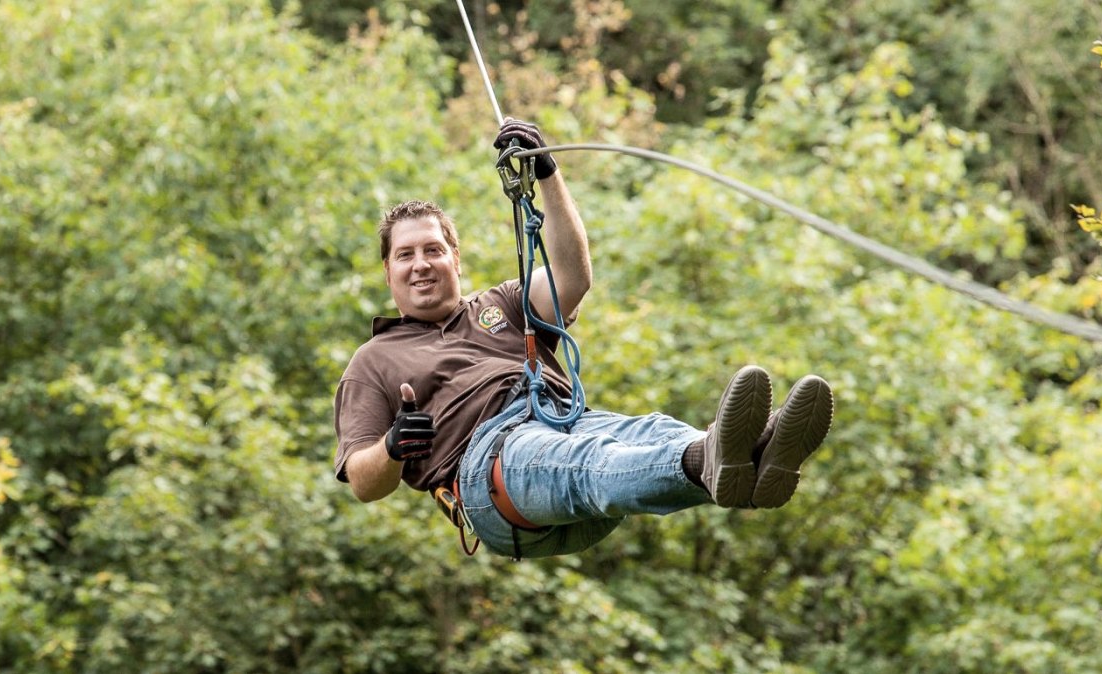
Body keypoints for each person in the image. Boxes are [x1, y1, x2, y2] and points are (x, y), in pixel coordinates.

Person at [332, 118, 834, 559]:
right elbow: (362, 481)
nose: (421, 264)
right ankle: (715, 460)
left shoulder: (500, 304)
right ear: (387, 271)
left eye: (433, 250)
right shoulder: (374, 361)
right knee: (588, 461)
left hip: (567, 423)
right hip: (492, 471)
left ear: (455, 260)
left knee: (651, 432)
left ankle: (754, 459)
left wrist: (548, 174)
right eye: (405, 255)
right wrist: (393, 448)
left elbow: (572, 279)